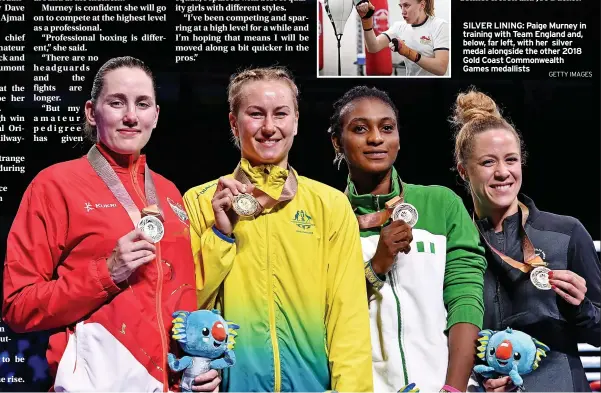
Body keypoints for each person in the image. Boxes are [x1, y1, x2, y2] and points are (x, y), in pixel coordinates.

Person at [2, 56, 197, 392]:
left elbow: (185, 301)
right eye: (116, 102)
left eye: (142, 104)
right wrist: (107, 272)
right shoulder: (55, 185)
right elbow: (18, 306)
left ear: (156, 115)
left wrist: (196, 367)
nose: (131, 116)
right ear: (92, 112)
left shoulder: (169, 193)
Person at [183, 67, 374, 392]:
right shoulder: (200, 202)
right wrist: (221, 235)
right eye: (256, 114)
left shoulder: (329, 206)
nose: (269, 127)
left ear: (296, 121)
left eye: (280, 114)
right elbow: (186, 307)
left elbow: (349, 319)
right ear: (234, 123)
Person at [328, 86, 486, 392]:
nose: (376, 138)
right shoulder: (326, 216)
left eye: (387, 128)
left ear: (398, 138)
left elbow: (465, 300)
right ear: (337, 141)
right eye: (360, 129)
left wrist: (453, 388)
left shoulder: (441, 204)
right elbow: (324, 313)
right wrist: (375, 268)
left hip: (445, 385)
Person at [451, 88, 601, 392]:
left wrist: (581, 307)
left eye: (511, 160)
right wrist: (479, 382)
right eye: (488, 162)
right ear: (464, 171)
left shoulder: (566, 233)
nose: (503, 172)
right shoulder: (453, 241)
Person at [357, 0, 449, 76]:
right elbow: (373, 47)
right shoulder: (399, 27)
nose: (402, 11)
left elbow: (441, 68)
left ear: (422, 5)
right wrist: (367, 22)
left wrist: (408, 52)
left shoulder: (439, 25)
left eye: (406, 6)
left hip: (436, 87)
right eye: (401, 6)